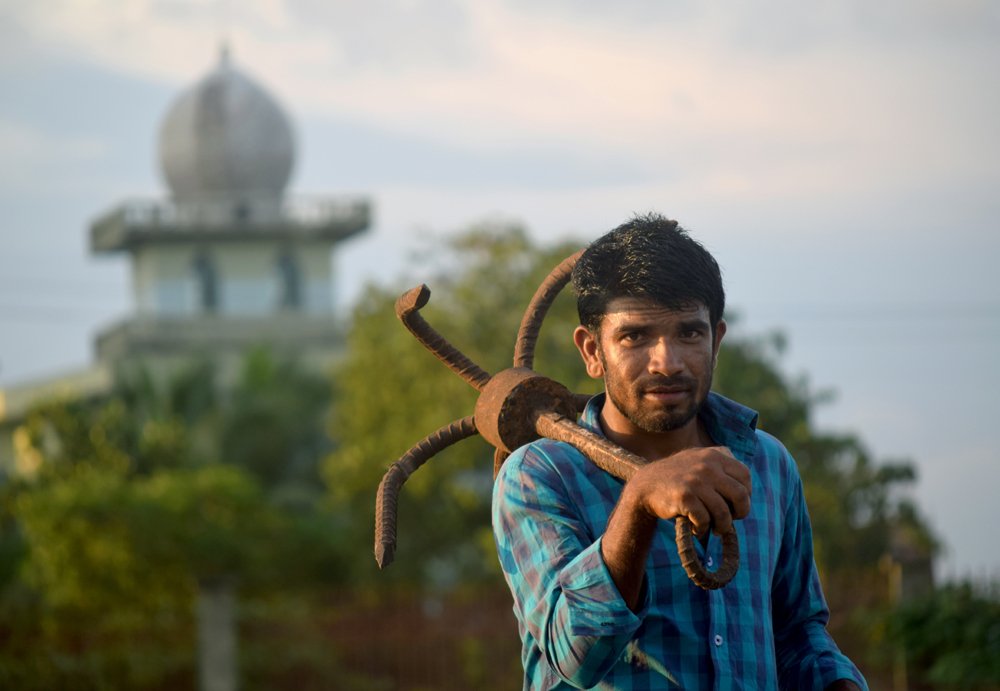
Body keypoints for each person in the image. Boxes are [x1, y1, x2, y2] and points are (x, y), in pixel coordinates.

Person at [492, 214, 868, 690]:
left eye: (689, 333)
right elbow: (575, 655)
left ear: (716, 340)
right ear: (591, 351)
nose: (666, 363)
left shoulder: (768, 464)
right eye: (634, 336)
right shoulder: (538, 476)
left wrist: (837, 683)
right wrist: (639, 500)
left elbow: (796, 634)